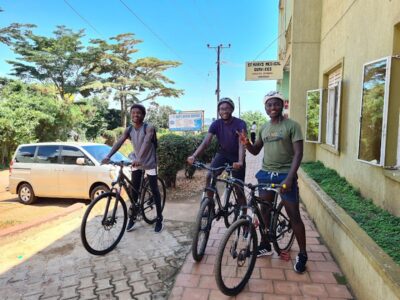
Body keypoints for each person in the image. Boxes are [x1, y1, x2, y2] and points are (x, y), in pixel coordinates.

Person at [239, 91, 307, 274]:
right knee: (264, 211)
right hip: (266, 174)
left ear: (283, 104)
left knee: (294, 216)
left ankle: (303, 253)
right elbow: (255, 151)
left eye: (276, 104)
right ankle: (265, 244)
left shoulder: (292, 126)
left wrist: (290, 177)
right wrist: (246, 143)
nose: (273, 108)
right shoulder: (264, 128)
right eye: (269, 105)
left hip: (285, 174)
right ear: (265, 108)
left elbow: (299, 153)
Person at [102, 103, 164, 233]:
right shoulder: (129, 129)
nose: (136, 115)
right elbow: (119, 142)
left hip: (148, 162)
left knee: (154, 190)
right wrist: (108, 156)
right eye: (133, 112)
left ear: (143, 115)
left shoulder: (149, 127)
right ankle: (133, 216)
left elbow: (147, 142)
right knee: (134, 191)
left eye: (138, 113)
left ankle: (159, 218)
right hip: (136, 161)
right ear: (131, 114)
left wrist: (139, 159)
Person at [187, 97, 247, 209]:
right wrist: (194, 156)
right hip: (222, 154)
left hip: (236, 156)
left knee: (239, 189)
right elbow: (206, 142)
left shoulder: (240, 123)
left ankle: (243, 218)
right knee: (210, 175)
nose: (224, 111)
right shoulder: (216, 124)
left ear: (232, 109)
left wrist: (240, 161)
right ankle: (209, 204)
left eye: (227, 108)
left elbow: (242, 143)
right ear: (219, 111)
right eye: (221, 109)